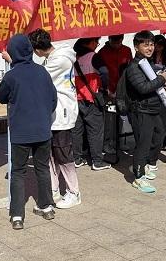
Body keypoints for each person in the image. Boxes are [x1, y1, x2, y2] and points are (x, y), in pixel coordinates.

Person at [0, 35, 57, 229]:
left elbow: (1, 97)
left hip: (21, 133)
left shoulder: (11, 76)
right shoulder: (42, 72)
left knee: (18, 172)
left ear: (13, 52)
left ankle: (17, 216)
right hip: (42, 130)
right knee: (42, 168)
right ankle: (47, 207)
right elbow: (53, 100)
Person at [28, 29, 81, 209]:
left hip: (61, 112)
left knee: (63, 154)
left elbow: (37, 77)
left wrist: (14, 61)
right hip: (53, 113)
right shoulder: (53, 57)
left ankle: (74, 192)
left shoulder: (59, 60)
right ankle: (54, 189)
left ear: (37, 50)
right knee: (50, 154)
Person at [124, 31, 166, 193]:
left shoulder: (147, 63)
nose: (150, 48)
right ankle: (139, 177)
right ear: (136, 47)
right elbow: (143, 88)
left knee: (158, 135)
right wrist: (161, 80)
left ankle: (142, 165)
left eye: (151, 44)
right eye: (145, 45)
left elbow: (153, 85)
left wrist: (163, 84)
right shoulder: (134, 67)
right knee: (143, 143)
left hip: (153, 108)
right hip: (141, 110)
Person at [71, 37, 110, 170]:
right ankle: (97, 161)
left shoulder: (74, 58)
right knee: (95, 130)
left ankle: (76, 159)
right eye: (96, 42)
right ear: (90, 43)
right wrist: (104, 88)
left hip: (76, 99)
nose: (97, 44)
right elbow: (104, 72)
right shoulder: (94, 56)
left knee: (77, 130)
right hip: (92, 99)